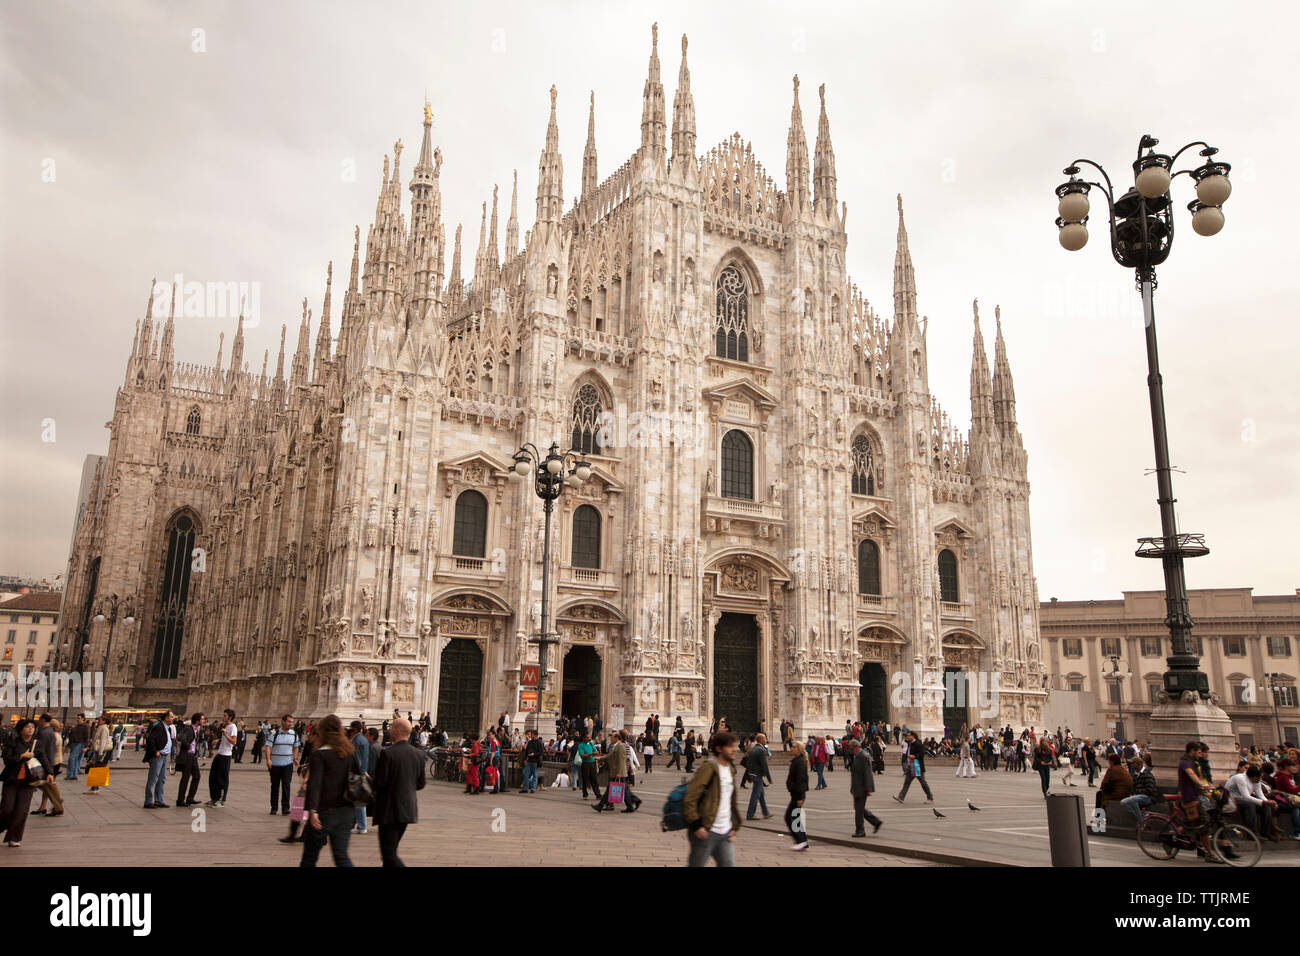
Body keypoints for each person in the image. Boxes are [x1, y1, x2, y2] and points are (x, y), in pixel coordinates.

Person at [300, 714, 355, 867]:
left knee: (309, 857)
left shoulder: (319, 755)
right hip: (346, 811)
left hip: (324, 812)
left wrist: (313, 810)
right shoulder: (349, 753)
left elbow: (315, 783)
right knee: (341, 856)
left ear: (323, 732)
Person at [683, 731, 742, 866]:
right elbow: (690, 797)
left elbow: (730, 801)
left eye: (735, 746)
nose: (734, 750)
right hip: (706, 830)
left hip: (725, 832)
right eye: (730, 747)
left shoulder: (731, 769)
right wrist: (697, 825)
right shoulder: (708, 767)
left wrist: (733, 825)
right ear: (719, 749)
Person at [372, 718, 426, 866]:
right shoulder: (419, 754)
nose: (388, 731)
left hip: (389, 809)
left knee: (389, 854)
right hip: (408, 809)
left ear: (396, 731)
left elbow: (380, 783)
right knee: (390, 852)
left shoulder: (388, 754)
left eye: (391, 728)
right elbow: (421, 784)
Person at [0, 718, 51, 847]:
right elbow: (7, 760)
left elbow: (43, 758)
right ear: (21, 729)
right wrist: (21, 756)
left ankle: (14, 837)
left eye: (32, 727)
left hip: (29, 781)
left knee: (21, 810)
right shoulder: (13, 742)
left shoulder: (37, 743)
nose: (30, 729)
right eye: (27, 727)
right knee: (7, 809)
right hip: (12, 780)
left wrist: (50, 772)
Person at [1225, 763, 1275, 840]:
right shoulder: (1240, 778)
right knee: (1250, 805)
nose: (1260, 780)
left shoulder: (1256, 781)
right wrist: (1264, 802)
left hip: (1243, 799)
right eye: (1259, 777)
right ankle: (1253, 834)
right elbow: (1246, 797)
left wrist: (1268, 802)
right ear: (1255, 777)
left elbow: (1260, 794)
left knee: (1266, 806)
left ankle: (1265, 832)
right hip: (1232, 800)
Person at [266, 713, 300, 816]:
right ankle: (274, 808)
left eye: (292, 722)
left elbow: (296, 747)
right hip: (275, 764)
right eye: (289, 722)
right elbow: (268, 747)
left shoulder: (294, 734)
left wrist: (295, 758)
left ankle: (285, 808)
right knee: (275, 786)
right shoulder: (274, 734)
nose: (290, 724)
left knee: (286, 786)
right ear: (283, 722)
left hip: (287, 764)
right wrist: (268, 760)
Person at [848, 739, 883, 837]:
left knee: (859, 810)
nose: (850, 751)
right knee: (859, 808)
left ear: (856, 747)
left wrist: (868, 789)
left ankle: (860, 831)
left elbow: (867, 773)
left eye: (851, 748)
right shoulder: (858, 756)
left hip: (862, 787)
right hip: (857, 787)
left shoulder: (863, 756)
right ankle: (876, 822)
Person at [592, 730, 632, 813]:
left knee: (616, 789)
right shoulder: (616, 746)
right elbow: (610, 755)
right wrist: (599, 758)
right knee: (617, 790)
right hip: (616, 772)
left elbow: (621, 760)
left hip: (619, 772)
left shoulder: (620, 746)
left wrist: (619, 772)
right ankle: (629, 806)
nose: (611, 739)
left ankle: (601, 805)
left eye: (612, 738)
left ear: (617, 738)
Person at [206, 709, 237, 807]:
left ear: (230, 717)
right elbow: (225, 738)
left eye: (225, 715)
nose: (222, 717)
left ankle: (221, 800)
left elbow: (234, 741)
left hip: (226, 755)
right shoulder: (225, 726)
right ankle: (214, 798)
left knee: (222, 778)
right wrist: (218, 739)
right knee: (213, 777)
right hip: (220, 753)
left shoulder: (233, 727)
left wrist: (225, 734)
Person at [142, 712, 173, 809]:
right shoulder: (159, 726)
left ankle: (158, 800)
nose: (173, 718)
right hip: (157, 756)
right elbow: (151, 739)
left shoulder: (167, 728)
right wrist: (156, 751)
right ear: (166, 718)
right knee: (153, 779)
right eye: (171, 717)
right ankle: (148, 801)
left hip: (163, 756)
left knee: (161, 779)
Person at [893, 731, 934, 803]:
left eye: (908, 736)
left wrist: (915, 756)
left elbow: (922, 753)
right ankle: (901, 797)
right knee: (907, 782)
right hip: (911, 765)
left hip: (917, 766)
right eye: (907, 736)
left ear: (913, 736)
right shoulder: (910, 743)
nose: (907, 737)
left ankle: (930, 797)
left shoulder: (918, 744)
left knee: (923, 782)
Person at [174, 713, 205, 806]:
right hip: (187, 756)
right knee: (185, 778)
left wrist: (194, 750)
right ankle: (180, 800)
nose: (204, 721)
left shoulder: (196, 730)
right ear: (197, 720)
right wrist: (189, 747)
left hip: (192, 756)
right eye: (202, 719)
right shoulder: (189, 728)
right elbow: (182, 738)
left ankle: (190, 798)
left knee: (197, 776)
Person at [785, 740, 810, 850]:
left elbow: (801, 779)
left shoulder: (800, 762)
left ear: (799, 749)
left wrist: (800, 797)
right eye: (792, 747)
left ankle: (801, 840)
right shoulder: (797, 760)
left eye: (794, 747)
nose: (792, 748)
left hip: (797, 793)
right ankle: (802, 840)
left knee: (791, 817)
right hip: (796, 793)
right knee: (795, 817)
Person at [347, 720, 370, 832]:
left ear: (354, 729)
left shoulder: (355, 740)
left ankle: (361, 826)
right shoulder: (364, 739)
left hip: (356, 773)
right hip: (362, 772)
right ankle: (360, 825)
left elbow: (355, 758)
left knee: (358, 801)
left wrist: (357, 772)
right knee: (360, 800)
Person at [744, 733, 773, 820]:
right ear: (760, 740)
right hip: (757, 775)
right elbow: (764, 766)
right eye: (765, 739)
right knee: (755, 795)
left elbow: (748, 763)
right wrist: (769, 778)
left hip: (752, 774)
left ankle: (765, 813)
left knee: (761, 794)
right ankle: (750, 814)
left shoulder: (753, 749)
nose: (766, 740)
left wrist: (748, 776)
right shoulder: (761, 750)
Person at [87, 715, 113, 793]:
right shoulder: (100, 727)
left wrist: (100, 752)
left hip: (100, 751)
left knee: (96, 769)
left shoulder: (104, 728)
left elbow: (103, 741)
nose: (98, 721)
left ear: (104, 721)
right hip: (97, 750)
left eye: (100, 720)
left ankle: (94, 788)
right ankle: (95, 787)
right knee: (96, 768)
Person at [576, 731, 600, 800]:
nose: (589, 739)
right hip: (585, 764)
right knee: (585, 779)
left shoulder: (591, 744)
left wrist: (591, 754)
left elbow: (596, 751)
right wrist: (591, 754)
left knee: (594, 779)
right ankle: (585, 794)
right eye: (587, 737)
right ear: (583, 738)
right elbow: (582, 755)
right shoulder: (581, 745)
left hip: (592, 763)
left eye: (589, 737)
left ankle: (598, 794)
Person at [66, 714, 89, 781]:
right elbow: (71, 737)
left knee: (72, 758)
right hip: (74, 743)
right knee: (75, 759)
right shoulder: (75, 726)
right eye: (77, 718)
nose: (77, 719)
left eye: (79, 718)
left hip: (80, 743)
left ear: (83, 719)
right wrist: (68, 745)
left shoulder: (85, 726)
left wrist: (86, 747)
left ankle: (70, 774)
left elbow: (87, 736)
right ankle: (74, 775)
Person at [521, 729, 544, 793]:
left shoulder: (539, 742)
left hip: (535, 761)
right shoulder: (530, 742)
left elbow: (541, 752)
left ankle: (533, 788)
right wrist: (525, 759)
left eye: (532, 734)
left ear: (535, 735)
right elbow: (526, 751)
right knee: (526, 774)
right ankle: (525, 788)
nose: (531, 736)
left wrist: (534, 754)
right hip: (529, 760)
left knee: (534, 775)